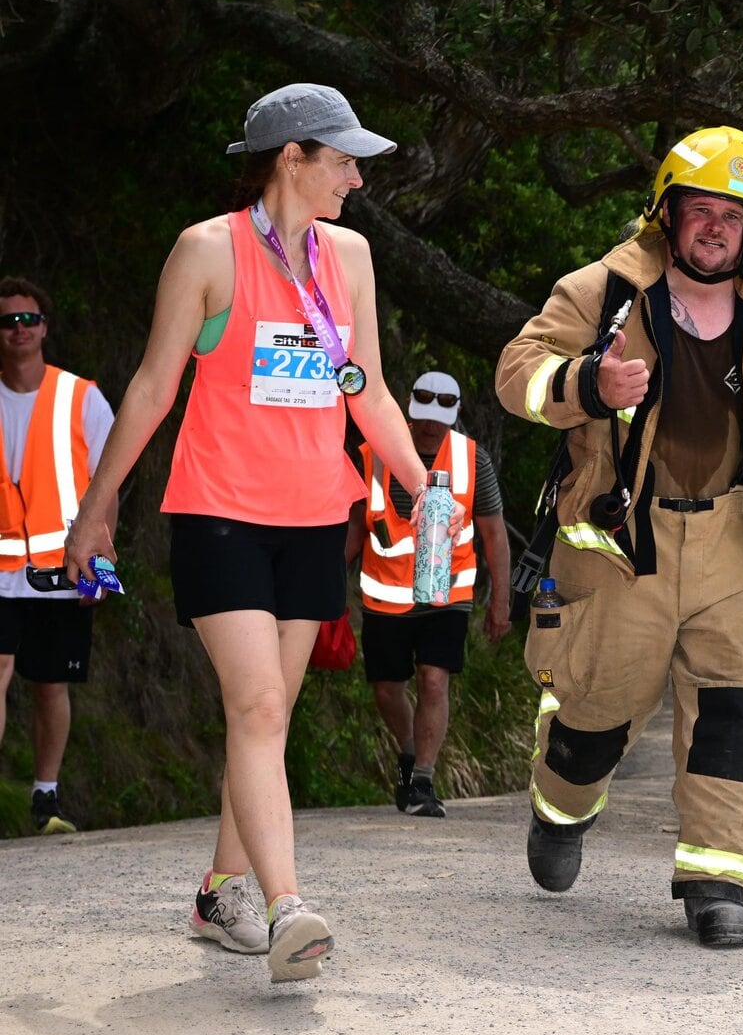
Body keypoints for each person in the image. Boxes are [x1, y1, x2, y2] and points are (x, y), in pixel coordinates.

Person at [62, 83, 454, 982]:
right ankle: (288, 908)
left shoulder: (347, 257)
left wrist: (419, 480)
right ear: (292, 157)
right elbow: (155, 386)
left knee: (264, 726)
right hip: (220, 512)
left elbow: (372, 391)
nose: (356, 178)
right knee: (259, 708)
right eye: (344, 159)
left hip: (316, 516)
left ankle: (218, 892)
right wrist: (98, 504)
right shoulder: (208, 250)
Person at [496, 125, 743, 948]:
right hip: (624, 539)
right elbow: (515, 373)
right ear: (666, 216)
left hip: (739, 540)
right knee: (596, 712)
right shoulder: (600, 292)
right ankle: (561, 804)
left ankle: (718, 883)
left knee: (734, 709)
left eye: (732, 218)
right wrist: (586, 383)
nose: (714, 228)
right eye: (699, 211)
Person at [347, 370, 510, 818]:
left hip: (447, 595)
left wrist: (500, 603)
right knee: (386, 688)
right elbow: (356, 526)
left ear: (455, 414)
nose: (430, 425)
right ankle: (407, 748)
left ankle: (422, 779)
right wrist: (324, 588)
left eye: (440, 416)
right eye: (422, 415)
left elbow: (494, 535)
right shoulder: (373, 454)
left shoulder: (472, 459)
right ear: (408, 407)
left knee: (434, 679)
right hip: (384, 596)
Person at [0, 277, 115, 835]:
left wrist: (100, 570)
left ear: (44, 326)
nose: (18, 329)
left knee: (50, 683)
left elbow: (107, 487)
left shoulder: (79, 395)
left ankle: (46, 796)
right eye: (7, 321)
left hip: (58, 572)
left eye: (27, 319)